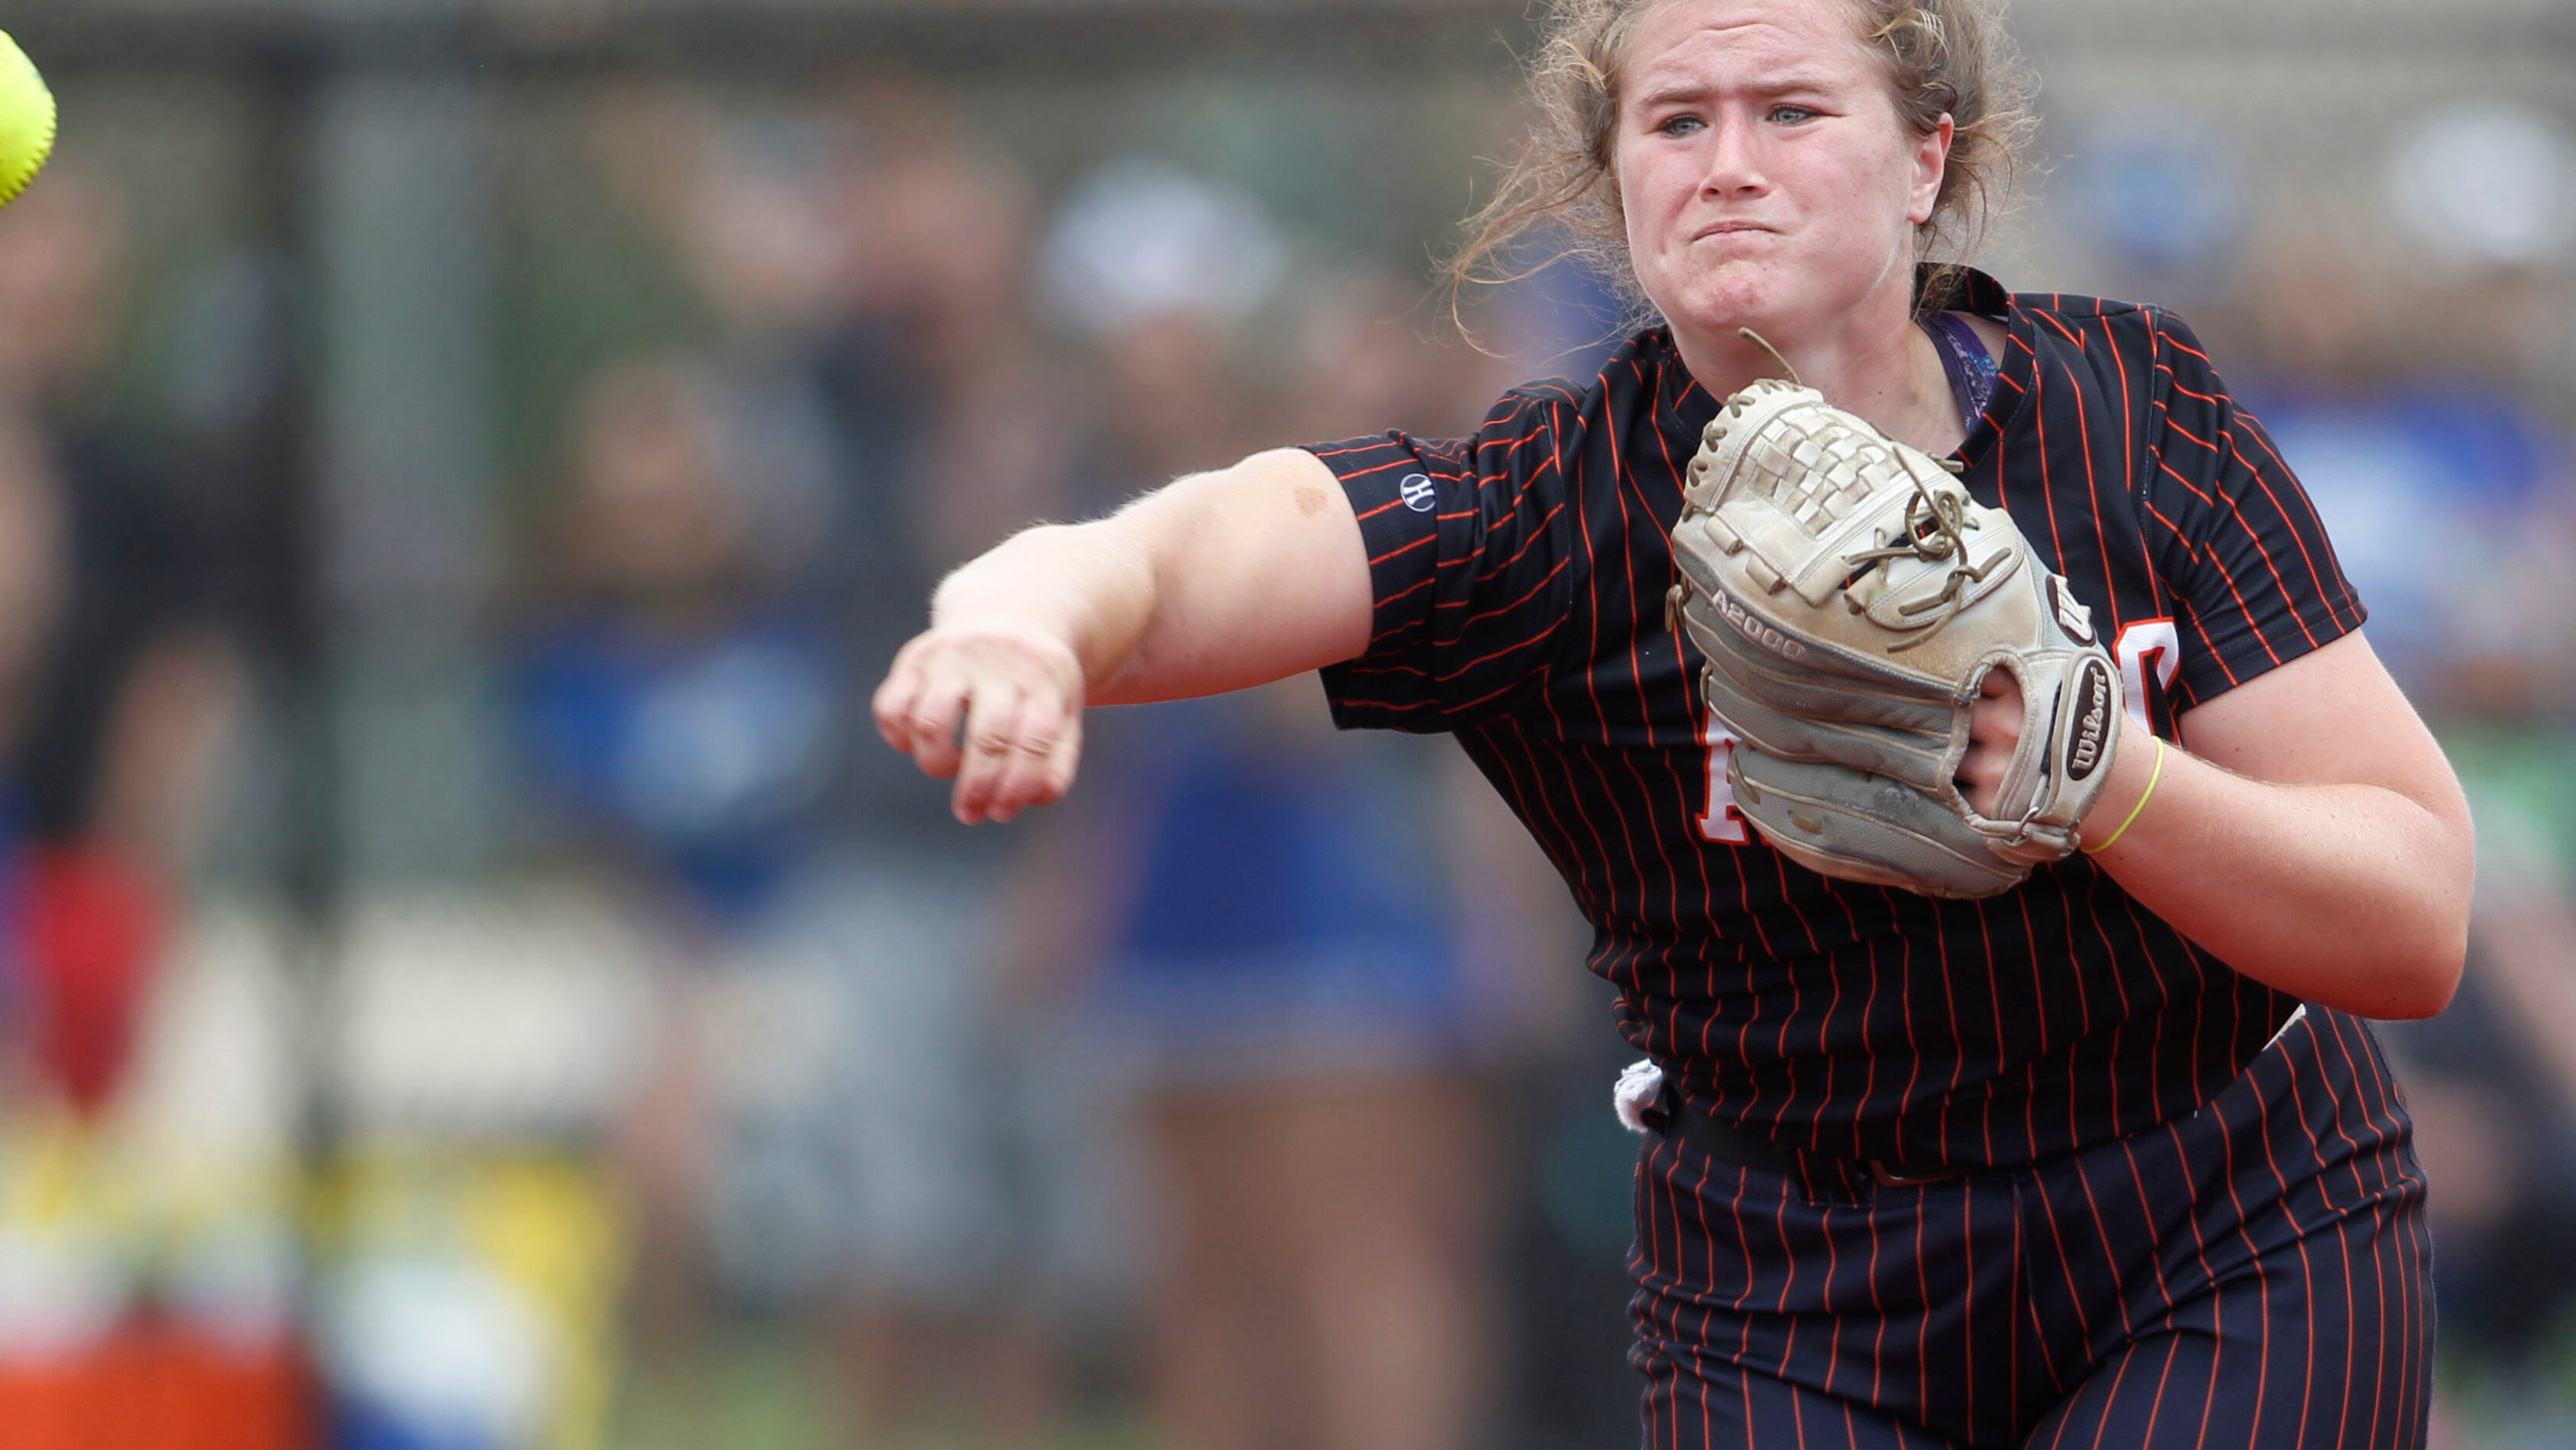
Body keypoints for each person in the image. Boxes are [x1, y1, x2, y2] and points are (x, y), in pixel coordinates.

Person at [870, 0, 2473, 1445]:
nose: (1726, 162)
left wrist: (2113, 785)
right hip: (1794, 1280)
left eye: (1789, 110)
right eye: (1675, 120)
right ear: (1614, 177)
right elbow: (1220, 531)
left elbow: (2408, 923)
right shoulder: (1550, 515)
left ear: (1925, 159)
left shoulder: (2128, 407)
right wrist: (1022, 624)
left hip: (2219, 1201)